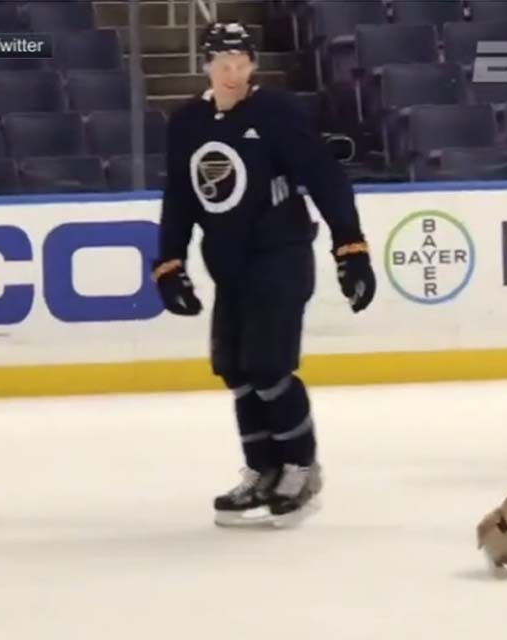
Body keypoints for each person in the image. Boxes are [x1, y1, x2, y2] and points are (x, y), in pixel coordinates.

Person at [151, 22, 376, 525]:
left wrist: (351, 249)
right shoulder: (187, 123)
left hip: (281, 257)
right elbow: (181, 198)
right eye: (222, 63)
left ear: (252, 64)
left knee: (270, 365)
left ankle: (301, 466)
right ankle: (262, 469)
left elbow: (325, 177)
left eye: (241, 62)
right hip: (229, 266)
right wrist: (169, 264)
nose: (233, 73)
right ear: (206, 65)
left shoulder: (277, 113)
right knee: (237, 370)